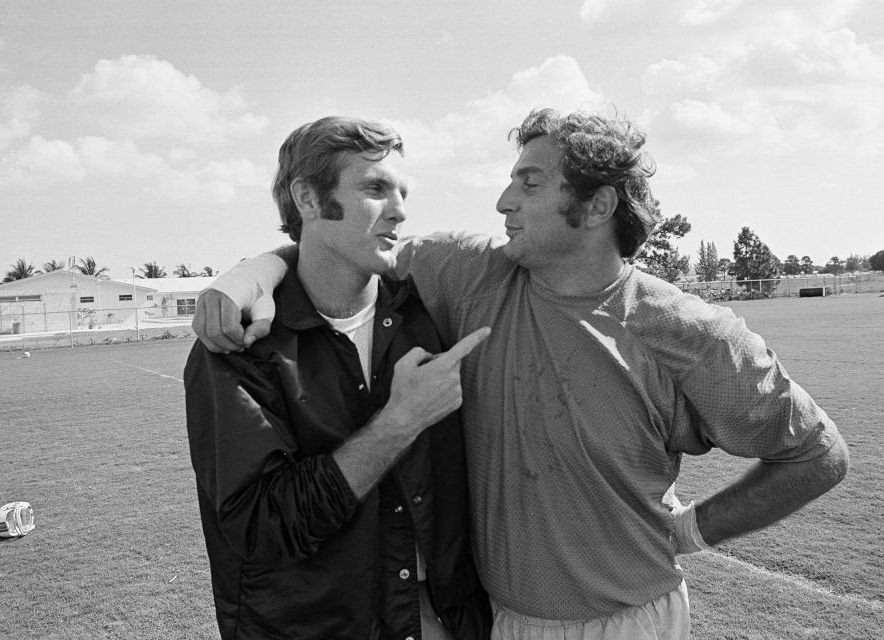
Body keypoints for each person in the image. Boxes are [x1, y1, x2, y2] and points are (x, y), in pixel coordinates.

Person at [193, 108, 849, 639]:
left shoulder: (688, 331)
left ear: (595, 207)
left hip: (634, 624)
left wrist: (693, 530)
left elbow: (817, 456)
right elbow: (338, 246)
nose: (504, 199)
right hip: (499, 622)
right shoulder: (476, 274)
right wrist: (252, 272)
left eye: (530, 182)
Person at [184, 116, 492, 640]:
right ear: (307, 198)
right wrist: (400, 421)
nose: (399, 210)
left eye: (402, 192)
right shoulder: (241, 345)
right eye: (374, 188)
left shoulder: (428, 313)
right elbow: (263, 527)